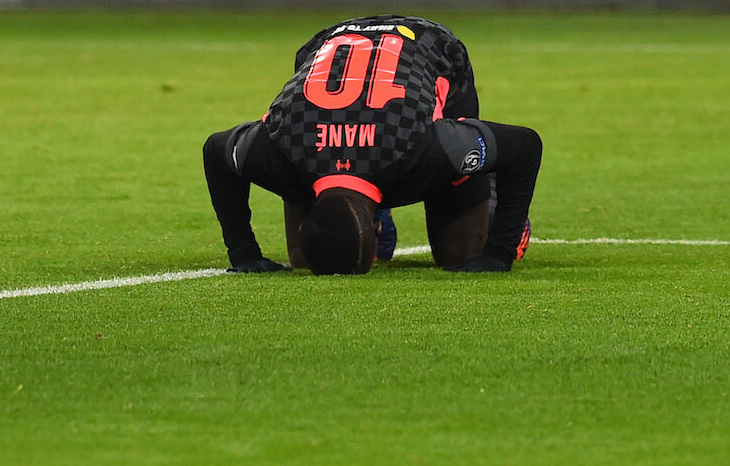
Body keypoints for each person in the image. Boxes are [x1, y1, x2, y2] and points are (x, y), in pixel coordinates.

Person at [203, 15, 541, 274]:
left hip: (430, 47)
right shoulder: (278, 151)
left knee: (462, 254)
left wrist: (499, 252)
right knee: (313, 256)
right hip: (327, 59)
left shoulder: (425, 149)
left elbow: (524, 145)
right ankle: (375, 200)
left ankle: (485, 181)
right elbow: (216, 151)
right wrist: (244, 256)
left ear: (375, 226)